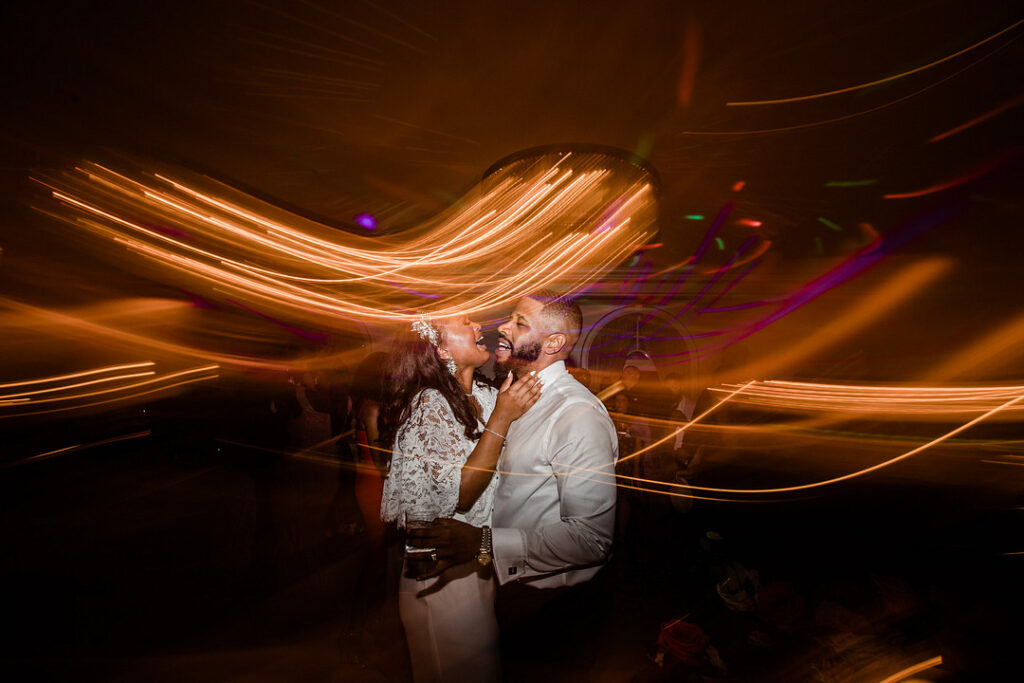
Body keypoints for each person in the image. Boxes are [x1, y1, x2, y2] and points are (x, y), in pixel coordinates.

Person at [408, 291, 618, 680]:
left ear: (554, 343)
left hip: (555, 609)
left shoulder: (576, 414)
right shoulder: (509, 398)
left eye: (519, 323)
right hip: (510, 595)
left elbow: (592, 539)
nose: (501, 327)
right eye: (508, 318)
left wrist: (485, 542)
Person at [378, 311, 541, 682]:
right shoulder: (429, 406)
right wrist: (501, 419)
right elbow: (462, 495)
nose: (476, 327)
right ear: (439, 348)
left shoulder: (485, 395)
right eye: (464, 323)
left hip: (478, 566)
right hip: (440, 579)